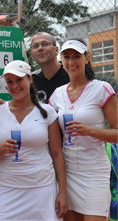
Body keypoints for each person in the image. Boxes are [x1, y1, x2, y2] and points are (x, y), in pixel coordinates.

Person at [0, 60, 68, 221]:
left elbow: (57, 154)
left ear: (30, 79)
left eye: (19, 80)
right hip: (9, 189)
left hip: (42, 188)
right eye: (9, 81)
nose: (14, 86)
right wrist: (3, 148)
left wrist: (63, 193)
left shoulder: (47, 112)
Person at [49, 38, 118, 221]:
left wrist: (90, 131)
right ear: (61, 60)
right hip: (68, 174)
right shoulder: (57, 95)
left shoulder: (102, 89)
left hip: (94, 173)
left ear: (87, 58)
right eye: (66, 57)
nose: (71, 62)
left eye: (76, 56)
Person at [31, 32, 70, 103]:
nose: (40, 48)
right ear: (32, 55)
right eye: (36, 46)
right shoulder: (31, 80)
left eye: (45, 44)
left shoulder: (71, 74)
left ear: (56, 50)